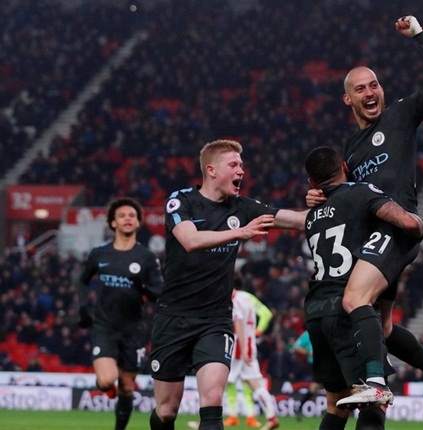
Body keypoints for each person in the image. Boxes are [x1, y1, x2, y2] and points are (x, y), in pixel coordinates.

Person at [307, 15, 423, 422]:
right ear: (348, 100)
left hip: (398, 227)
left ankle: (374, 383)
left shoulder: (400, 115)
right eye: (361, 88)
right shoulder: (350, 149)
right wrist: (318, 194)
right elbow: (348, 196)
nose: (370, 92)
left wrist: (419, 35)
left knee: (354, 299)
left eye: (374, 84)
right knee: (384, 328)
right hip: (374, 236)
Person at [149, 139, 307, 430]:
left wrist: (338, 202)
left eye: (242, 166)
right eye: (234, 165)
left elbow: (297, 220)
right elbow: (191, 240)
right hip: (173, 317)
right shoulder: (181, 200)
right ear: (211, 170)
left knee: (212, 399)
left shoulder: (243, 207)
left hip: (215, 320)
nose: (241, 171)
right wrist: (240, 233)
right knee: (167, 409)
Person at [303, 146, 423, 430]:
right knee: (374, 402)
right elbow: (407, 222)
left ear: (313, 184)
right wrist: (418, 226)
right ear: (345, 167)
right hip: (347, 310)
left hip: (316, 311)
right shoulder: (359, 193)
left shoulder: (312, 216)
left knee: (336, 405)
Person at [78, 197, 164, 430]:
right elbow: (83, 280)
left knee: (127, 386)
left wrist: (142, 286)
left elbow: (159, 293)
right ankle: (108, 388)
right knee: (106, 380)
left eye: (132, 216)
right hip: (105, 327)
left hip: (133, 330)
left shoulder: (147, 257)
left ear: (137, 223)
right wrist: (83, 306)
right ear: (113, 223)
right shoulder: (99, 254)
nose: (128, 218)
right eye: (122, 216)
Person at [188, 279, 275, 430]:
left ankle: (206, 420)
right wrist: (258, 332)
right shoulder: (248, 297)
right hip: (249, 344)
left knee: (218, 383)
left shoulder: (233, 300)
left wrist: (242, 348)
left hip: (238, 349)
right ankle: (270, 417)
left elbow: (239, 324)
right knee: (250, 383)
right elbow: (265, 314)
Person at [291, 330, 323, 421]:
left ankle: (299, 407)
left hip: (327, 362)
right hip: (315, 364)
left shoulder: (325, 329)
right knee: (316, 386)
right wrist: (308, 352)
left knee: (316, 387)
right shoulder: (308, 333)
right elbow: (296, 346)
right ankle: (299, 407)